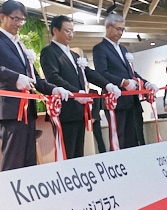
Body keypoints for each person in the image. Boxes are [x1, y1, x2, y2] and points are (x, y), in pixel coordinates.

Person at [0, 0, 69, 171]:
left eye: (22, 20)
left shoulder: (19, 44)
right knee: (14, 162)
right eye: (15, 19)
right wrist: (15, 78)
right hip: (10, 111)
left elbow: (33, 78)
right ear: (2, 17)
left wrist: (53, 89)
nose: (19, 24)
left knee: (29, 161)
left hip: (28, 111)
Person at [40, 15, 121, 158]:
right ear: (55, 30)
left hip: (79, 111)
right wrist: (76, 93)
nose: (71, 34)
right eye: (67, 31)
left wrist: (108, 85)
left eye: (72, 31)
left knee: (79, 152)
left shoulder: (74, 55)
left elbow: (89, 73)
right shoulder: (49, 52)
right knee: (68, 153)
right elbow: (53, 77)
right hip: (64, 110)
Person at [92, 13, 157, 149]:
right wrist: (123, 82)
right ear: (108, 27)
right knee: (119, 139)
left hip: (131, 101)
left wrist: (146, 83)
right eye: (118, 29)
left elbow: (131, 73)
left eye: (122, 29)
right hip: (115, 101)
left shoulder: (123, 49)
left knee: (133, 139)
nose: (120, 33)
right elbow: (101, 73)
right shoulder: (100, 48)